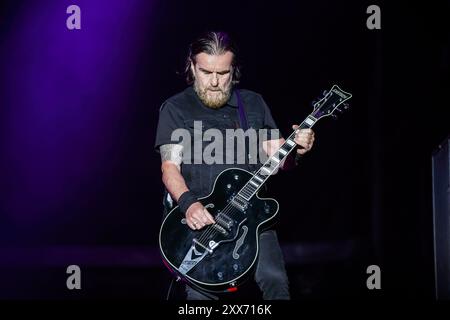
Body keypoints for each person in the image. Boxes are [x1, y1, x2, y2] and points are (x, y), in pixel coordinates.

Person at [154, 31, 315, 300]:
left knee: (276, 283)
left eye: (223, 73)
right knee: (199, 300)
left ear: (234, 70)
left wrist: (296, 150)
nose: (215, 82)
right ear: (192, 67)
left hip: (251, 216)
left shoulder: (252, 103)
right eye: (206, 72)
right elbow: (169, 168)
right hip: (201, 220)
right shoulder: (176, 108)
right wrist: (189, 204)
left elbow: (277, 162)